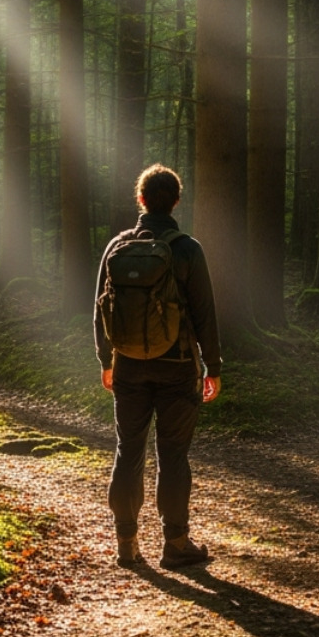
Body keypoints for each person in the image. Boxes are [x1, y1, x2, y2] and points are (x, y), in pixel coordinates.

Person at [94, 164, 221, 569]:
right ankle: (176, 543)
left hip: (128, 366)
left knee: (127, 450)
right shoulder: (188, 249)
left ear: (141, 199)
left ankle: (126, 545)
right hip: (177, 366)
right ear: (177, 201)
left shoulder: (117, 246)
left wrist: (105, 360)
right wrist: (212, 366)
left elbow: (99, 310)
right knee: (173, 456)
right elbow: (205, 313)